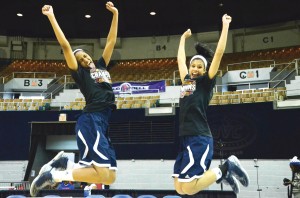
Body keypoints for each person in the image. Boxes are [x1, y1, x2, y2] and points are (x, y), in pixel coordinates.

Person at [30, 1, 118, 197]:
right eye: (80, 59)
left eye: (85, 55)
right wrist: (51, 16)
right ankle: (54, 174)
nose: (85, 59)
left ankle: (63, 166)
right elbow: (65, 46)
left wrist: (115, 14)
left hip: (103, 123)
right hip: (91, 119)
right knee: (103, 171)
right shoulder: (80, 75)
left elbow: (111, 41)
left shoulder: (102, 66)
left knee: (110, 176)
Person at [172, 14, 250, 195]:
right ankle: (223, 175)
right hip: (185, 137)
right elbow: (180, 60)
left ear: (205, 70)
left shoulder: (206, 82)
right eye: (194, 66)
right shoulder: (186, 81)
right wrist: (182, 39)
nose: (195, 69)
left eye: (200, 67)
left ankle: (228, 166)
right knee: (180, 188)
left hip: (199, 136)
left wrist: (225, 26)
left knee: (190, 188)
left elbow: (220, 53)